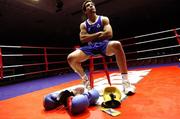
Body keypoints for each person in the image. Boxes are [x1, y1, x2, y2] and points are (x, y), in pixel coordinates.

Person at [67, 0, 135, 95]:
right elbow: (82, 39)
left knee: (117, 44)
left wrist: (90, 37)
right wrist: (99, 33)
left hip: (104, 45)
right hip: (90, 47)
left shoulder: (103, 19)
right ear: (85, 11)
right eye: (88, 5)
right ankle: (86, 82)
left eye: (92, 5)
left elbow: (109, 34)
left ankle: (126, 83)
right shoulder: (83, 25)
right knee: (70, 58)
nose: (91, 6)